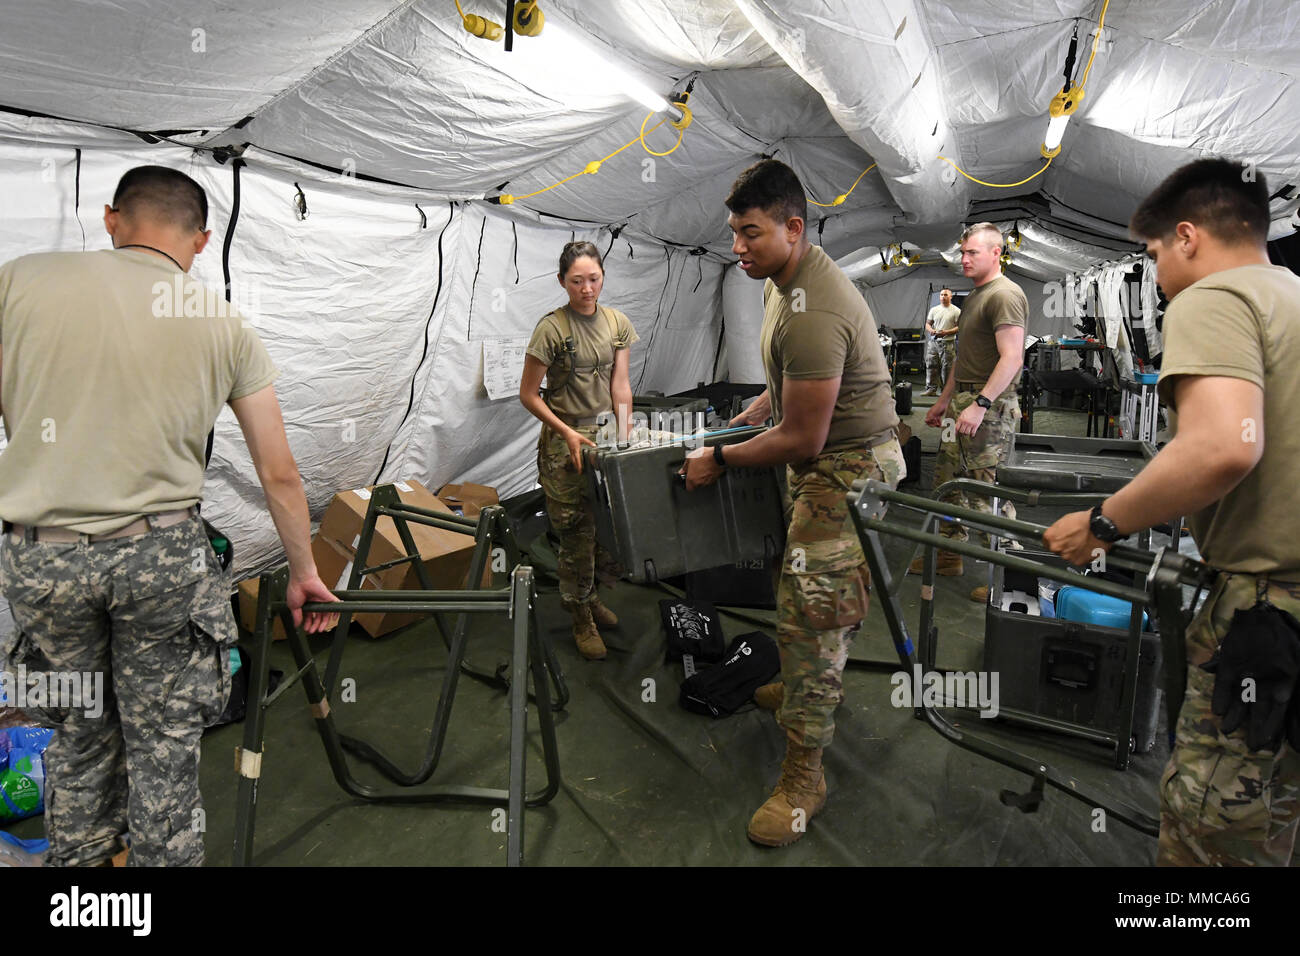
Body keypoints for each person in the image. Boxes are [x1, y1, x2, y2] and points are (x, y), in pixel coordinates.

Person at [0, 165, 339, 867]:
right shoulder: (219, 321)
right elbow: (279, 471)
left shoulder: (19, 281)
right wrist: (304, 571)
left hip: (43, 558)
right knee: (163, 750)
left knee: (80, 737)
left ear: (111, 219)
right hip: (160, 560)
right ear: (204, 239)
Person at [1044, 157, 1300, 867]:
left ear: (1188, 236)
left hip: (1266, 608)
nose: (1155, 277)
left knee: (1210, 832)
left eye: (1155, 255)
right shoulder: (1291, 295)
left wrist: (1102, 522)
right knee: (1273, 811)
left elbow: (1221, 448)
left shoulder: (1215, 298)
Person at [681, 159, 904, 847]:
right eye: (734, 234)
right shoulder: (786, 281)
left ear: (793, 227)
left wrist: (716, 458)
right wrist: (753, 411)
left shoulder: (818, 305)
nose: (738, 248)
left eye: (751, 234)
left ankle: (806, 774)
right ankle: (811, 675)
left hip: (849, 469)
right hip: (821, 461)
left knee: (812, 614)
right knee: (803, 595)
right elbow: (791, 388)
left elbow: (805, 432)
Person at [519, 242, 638, 661]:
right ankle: (579, 616)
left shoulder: (617, 323)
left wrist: (624, 437)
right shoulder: (551, 329)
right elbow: (529, 395)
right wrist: (567, 433)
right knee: (575, 537)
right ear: (561, 281)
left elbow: (620, 384)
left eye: (594, 279)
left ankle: (591, 598)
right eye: (577, 281)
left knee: (609, 531)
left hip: (605, 442)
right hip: (564, 444)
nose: (587, 289)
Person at [910, 223, 1025, 603]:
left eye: (972, 252)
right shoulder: (974, 296)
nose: (964, 259)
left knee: (985, 489)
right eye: (962, 252)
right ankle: (949, 553)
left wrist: (980, 404)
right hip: (962, 401)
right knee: (948, 483)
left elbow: (1012, 358)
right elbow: (963, 358)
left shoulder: (1005, 295)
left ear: (996, 253)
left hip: (988, 407)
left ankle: (1005, 577)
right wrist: (945, 399)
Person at [922, 287, 960, 396]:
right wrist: (932, 330)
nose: (943, 297)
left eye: (946, 295)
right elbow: (928, 324)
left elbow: (959, 327)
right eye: (942, 295)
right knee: (931, 365)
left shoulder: (956, 311)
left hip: (948, 343)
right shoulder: (934, 310)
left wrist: (946, 332)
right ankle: (931, 389)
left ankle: (946, 391)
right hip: (933, 343)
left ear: (951, 297)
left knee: (947, 368)